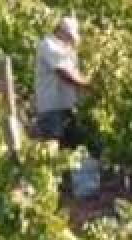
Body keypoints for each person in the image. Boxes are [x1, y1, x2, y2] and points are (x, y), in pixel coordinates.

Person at [34, 15, 92, 151]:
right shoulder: (48, 45)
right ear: (60, 31)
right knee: (54, 149)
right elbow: (64, 73)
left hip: (67, 107)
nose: (71, 41)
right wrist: (87, 85)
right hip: (52, 108)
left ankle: (67, 173)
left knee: (70, 150)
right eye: (69, 37)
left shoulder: (67, 49)